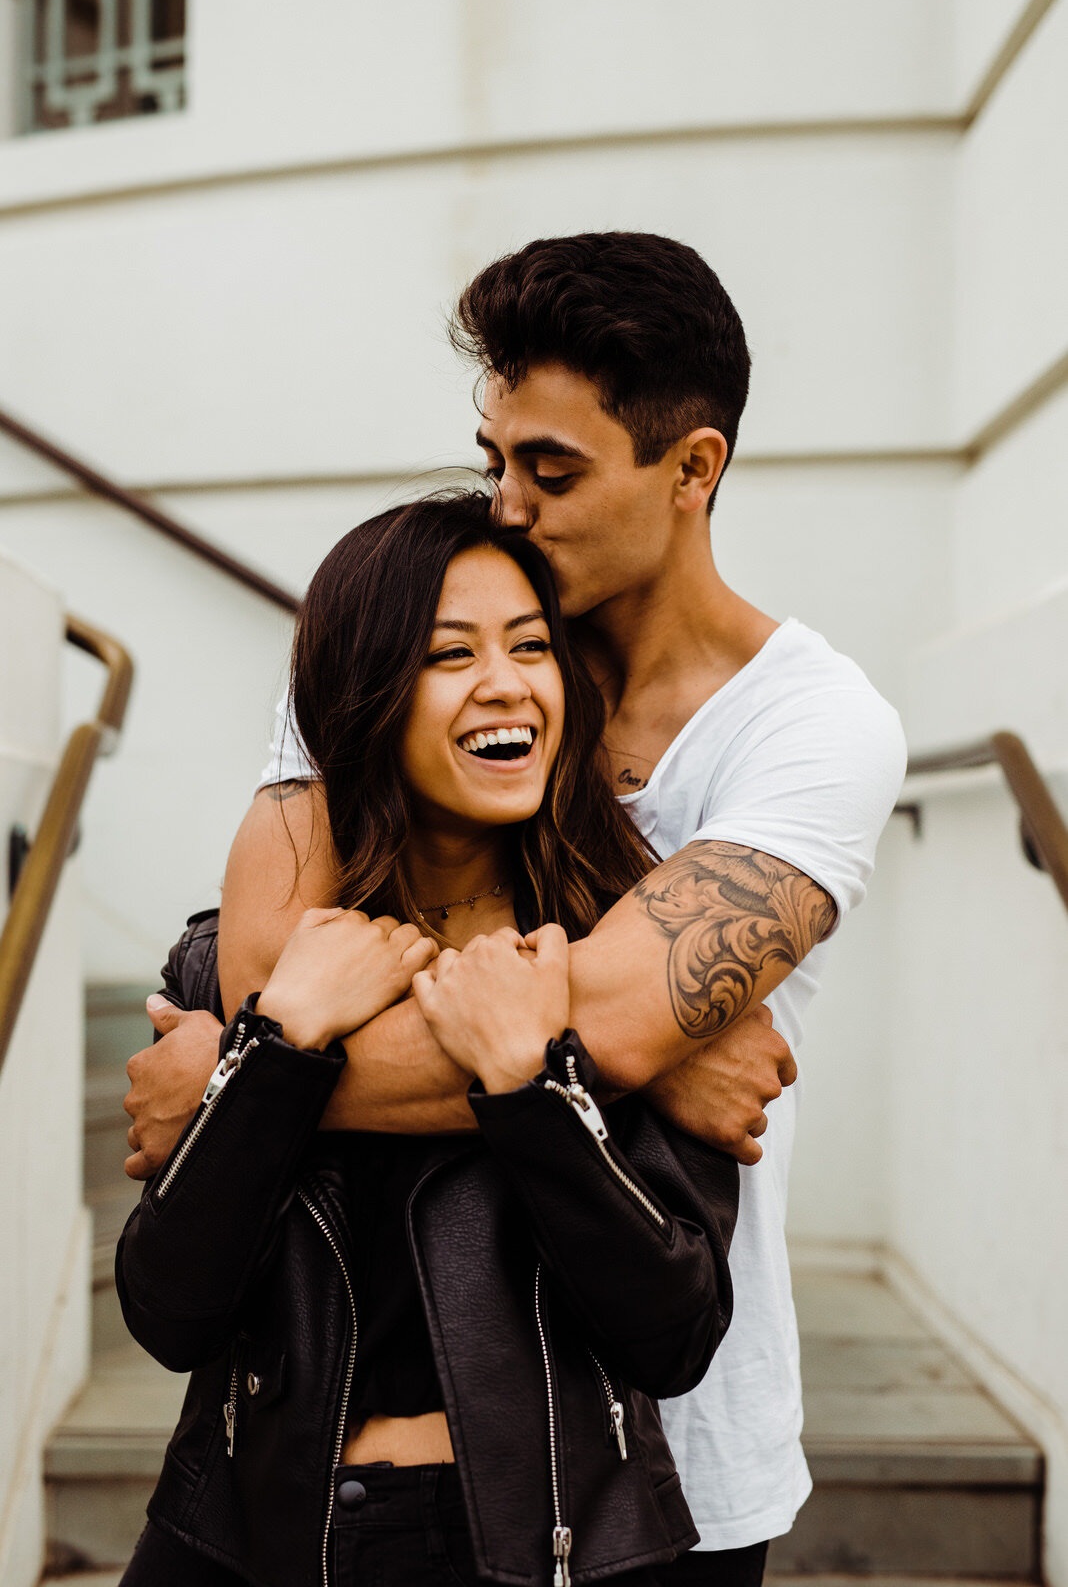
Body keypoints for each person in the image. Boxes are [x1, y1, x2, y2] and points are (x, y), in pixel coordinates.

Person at [124, 232, 907, 1581]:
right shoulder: (413, 627)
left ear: (692, 471)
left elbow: (580, 1019)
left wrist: (236, 1085)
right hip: (331, 1442)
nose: (508, 505)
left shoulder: (813, 724)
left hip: (666, 1448)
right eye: (495, 460)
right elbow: (277, 972)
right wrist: (639, 1054)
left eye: (552, 471)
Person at [116, 494, 740, 1587]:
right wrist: (279, 1044)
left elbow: (673, 1335)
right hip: (251, 1540)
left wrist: (531, 1082)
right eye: (450, 654)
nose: (507, 682)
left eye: (533, 647)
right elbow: (169, 1308)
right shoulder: (246, 967)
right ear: (364, 694)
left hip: (538, 1548)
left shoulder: (622, 961)